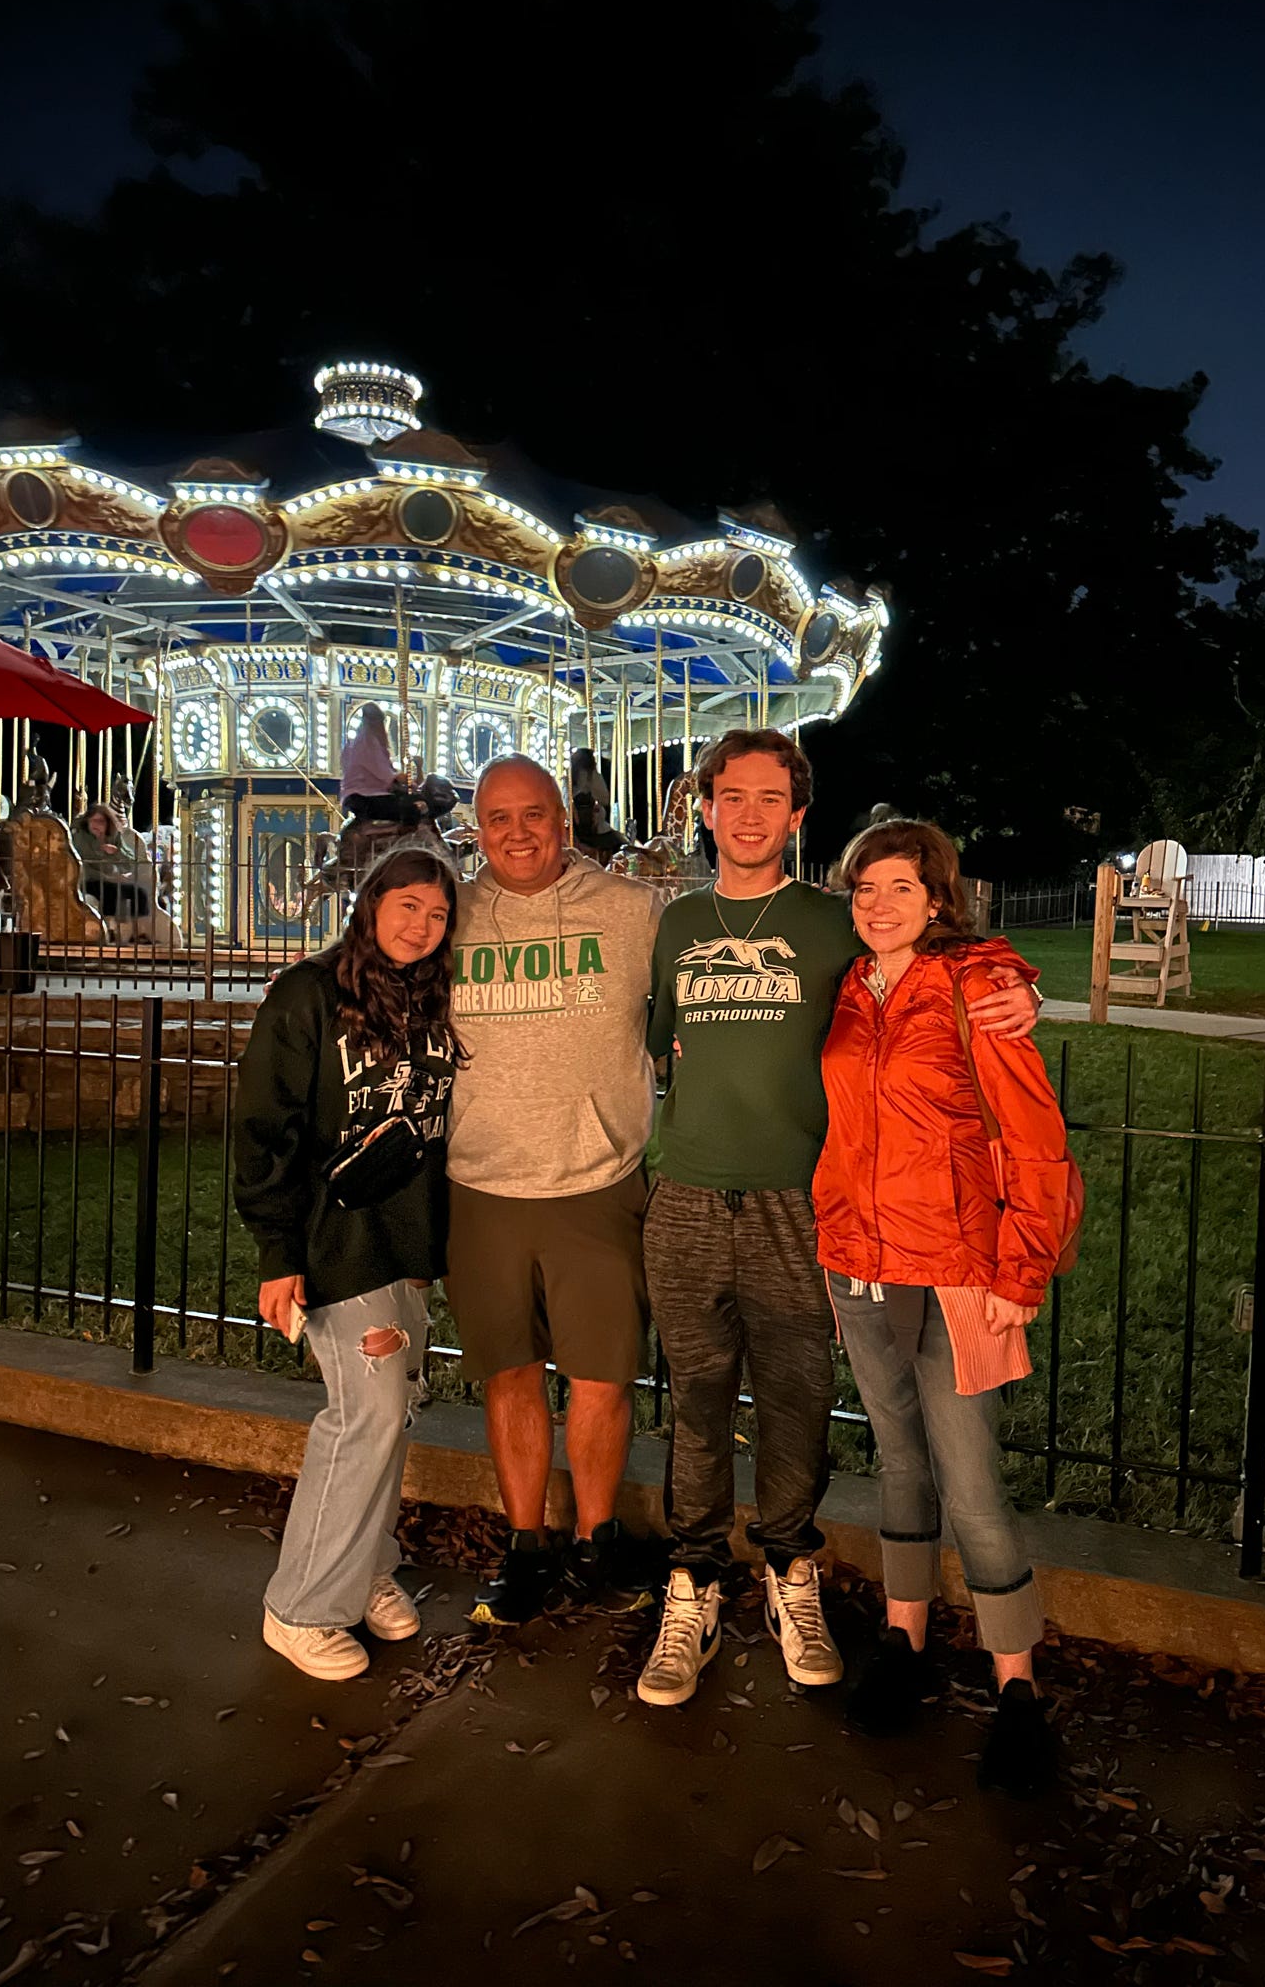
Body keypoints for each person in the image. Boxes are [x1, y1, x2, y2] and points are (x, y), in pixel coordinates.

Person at [638, 730, 1037, 1708]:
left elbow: (942, 953)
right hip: (687, 1191)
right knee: (694, 1400)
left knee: (795, 1402)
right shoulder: (678, 923)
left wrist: (1023, 985)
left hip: (801, 1203)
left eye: (770, 798)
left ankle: (789, 1571)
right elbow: (662, 1044)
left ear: (798, 814)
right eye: (730, 796)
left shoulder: (833, 923)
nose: (748, 814)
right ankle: (690, 1585)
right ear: (704, 805)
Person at [813, 819, 1066, 1796]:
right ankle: (905, 1641)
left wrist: (1019, 1277)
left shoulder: (974, 991)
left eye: (898, 890)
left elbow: (1036, 1147)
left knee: (972, 1487)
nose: (876, 906)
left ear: (938, 901)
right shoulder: (848, 989)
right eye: (863, 889)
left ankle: (1017, 1690)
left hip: (959, 1271)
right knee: (900, 1463)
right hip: (863, 1267)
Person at [233, 846, 460, 1680]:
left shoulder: (427, 996)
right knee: (361, 1415)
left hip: (403, 1241)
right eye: (406, 906)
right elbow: (266, 1128)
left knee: (392, 1412)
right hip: (337, 1239)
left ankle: (363, 1565)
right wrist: (277, 1252)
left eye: (437, 915)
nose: (421, 925)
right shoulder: (308, 994)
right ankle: (300, 1607)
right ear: (369, 905)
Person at [448, 755, 664, 1624]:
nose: (518, 833)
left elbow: (724, 989)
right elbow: (362, 970)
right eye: (498, 819)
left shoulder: (630, 913)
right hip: (483, 1183)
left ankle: (598, 1539)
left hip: (596, 1179)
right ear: (477, 829)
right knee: (510, 1374)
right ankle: (528, 1542)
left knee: (603, 1375)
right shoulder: (451, 915)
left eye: (534, 814)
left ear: (563, 822)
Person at [341, 701, 420, 825]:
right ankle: (400, 842)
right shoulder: (369, 743)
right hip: (366, 797)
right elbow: (384, 774)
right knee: (413, 809)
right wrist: (408, 780)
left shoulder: (352, 744)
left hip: (353, 796)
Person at [70, 804, 150, 918]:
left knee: (139, 894)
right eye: (93, 821)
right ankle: (107, 927)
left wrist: (116, 853)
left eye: (100, 821)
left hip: (109, 880)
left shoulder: (114, 837)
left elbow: (130, 863)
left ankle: (134, 927)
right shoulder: (79, 838)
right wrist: (108, 877)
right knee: (110, 894)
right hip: (87, 880)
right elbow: (81, 867)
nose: (95, 824)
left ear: (108, 823)